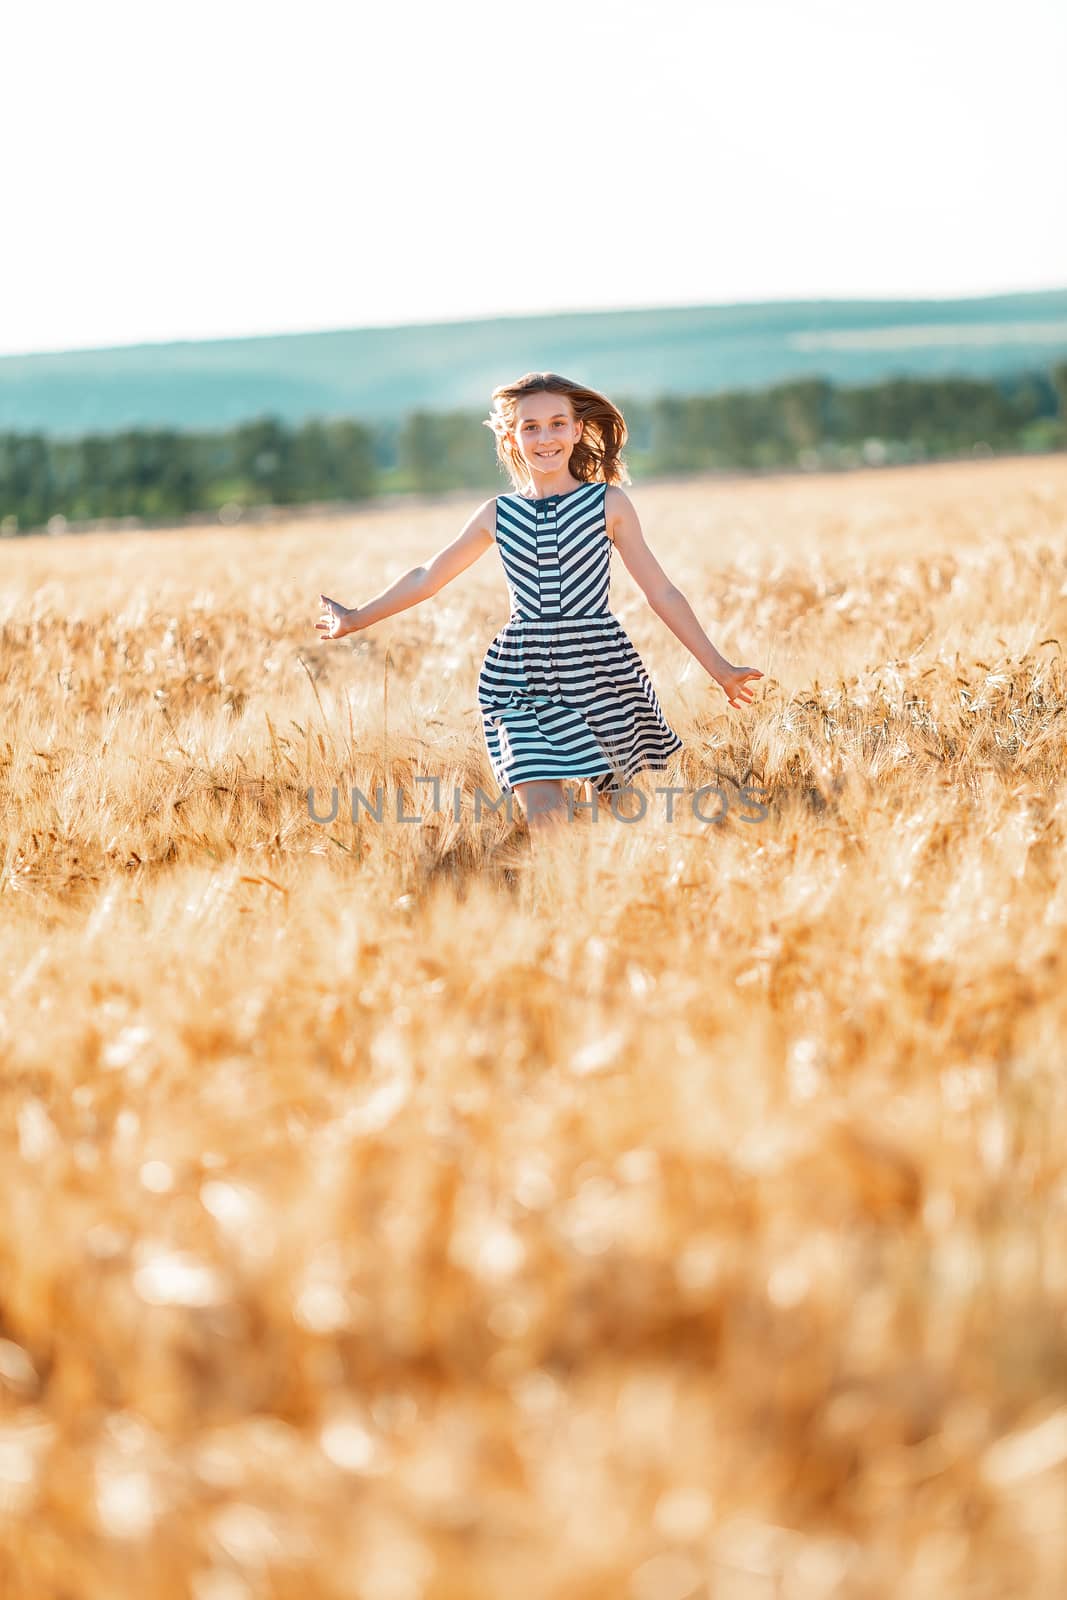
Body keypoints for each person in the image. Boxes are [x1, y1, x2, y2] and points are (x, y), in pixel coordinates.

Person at [317, 370, 762, 839]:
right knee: (548, 819)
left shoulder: (608, 504)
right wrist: (355, 617)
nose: (544, 437)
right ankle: (557, 894)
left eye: (556, 424)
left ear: (576, 430)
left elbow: (662, 593)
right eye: (530, 427)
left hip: (600, 668)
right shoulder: (497, 513)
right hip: (521, 675)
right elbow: (429, 576)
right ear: (511, 435)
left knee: (618, 821)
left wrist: (720, 668)